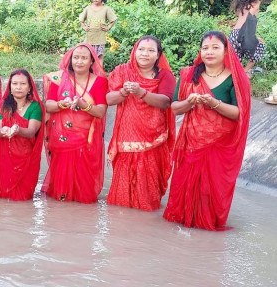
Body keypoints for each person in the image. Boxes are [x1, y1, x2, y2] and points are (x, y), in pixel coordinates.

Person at [163, 31, 251, 231]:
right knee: (184, 186)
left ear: (226, 50)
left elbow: (239, 114)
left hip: (219, 146)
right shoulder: (188, 75)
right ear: (200, 51)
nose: (209, 52)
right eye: (205, 48)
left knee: (209, 191)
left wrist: (214, 103)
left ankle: (205, 225)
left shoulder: (236, 79)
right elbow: (175, 109)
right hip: (191, 144)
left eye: (215, 47)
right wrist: (189, 102)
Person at [106, 36, 176, 211]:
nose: (145, 54)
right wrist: (124, 91)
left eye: (151, 50)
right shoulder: (122, 71)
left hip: (153, 139)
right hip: (126, 139)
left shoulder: (165, 75)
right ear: (134, 51)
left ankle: (145, 219)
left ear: (158, 54)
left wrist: (141, 92)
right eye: (141, 49)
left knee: (148, 194)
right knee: (120, 198)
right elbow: (108, 99)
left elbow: (166, 102)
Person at [43, 42, 108, 204]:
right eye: (76, 57)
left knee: (84, 191)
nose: (79, 61)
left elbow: (100, 111)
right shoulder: (58, 79)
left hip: (86, 140)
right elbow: (49, 105)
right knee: (61, 192)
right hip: (62, 139)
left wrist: (83, 105)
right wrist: (62, 104)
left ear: (92, 61)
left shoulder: (100, 82)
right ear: (70, 59)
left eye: (84, 58)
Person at [0, 69, 44, 201]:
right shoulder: (2, 106)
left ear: (29, 87)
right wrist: (3, 131)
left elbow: (32, 131)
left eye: (22, 84)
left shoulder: (35, 107)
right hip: (5, 159)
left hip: (27, 159)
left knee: (24, 198)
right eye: (15, 84)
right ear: (10, 87)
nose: (18, 87)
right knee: (4, 199)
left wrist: (17, 130)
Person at [229, 0, 266, 76]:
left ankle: (234, 74)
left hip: (234, 35)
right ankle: (244, 71)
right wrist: (255, 39)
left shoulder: (241, 6)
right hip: (244, 33)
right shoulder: (254, 5)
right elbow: (250, 23)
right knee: (261, 46)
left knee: (235, 59)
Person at [79, 0, 117, 69]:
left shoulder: (106, 9)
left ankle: (99, 73)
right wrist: (84, 27)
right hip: (90, 37)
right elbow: (81, 19)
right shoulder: (88, 8)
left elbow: (113, 19)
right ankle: (88, 71)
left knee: (99, 56)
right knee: (88, 55)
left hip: (100, 37)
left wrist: (108, 27)